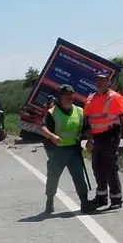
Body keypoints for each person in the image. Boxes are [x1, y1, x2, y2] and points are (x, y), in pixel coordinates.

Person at [84, 71, 123, 210]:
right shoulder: (90, 98)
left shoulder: (115, 97)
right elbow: (87, 121)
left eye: (102, 80)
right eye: (97, 80)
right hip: (96, 137)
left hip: (110, 135)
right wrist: (89, 139)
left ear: (108, 81)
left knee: (110, 168)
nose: (99, 82)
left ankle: (116, 199)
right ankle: (101, 197)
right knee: (97, 167)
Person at [38, 84, 91, 213]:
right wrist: (52, 136)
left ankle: (84, 202)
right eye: (66, 95)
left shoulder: (80, 111)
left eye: (71, 94)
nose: (69, 97)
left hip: (74, 150)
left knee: (79, 177)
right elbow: (43, 128)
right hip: (58, 151)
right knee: (53, 177)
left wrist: (91, 139)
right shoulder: (52, 113)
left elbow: (86, 128)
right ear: (60, 96)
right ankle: (50, 200)